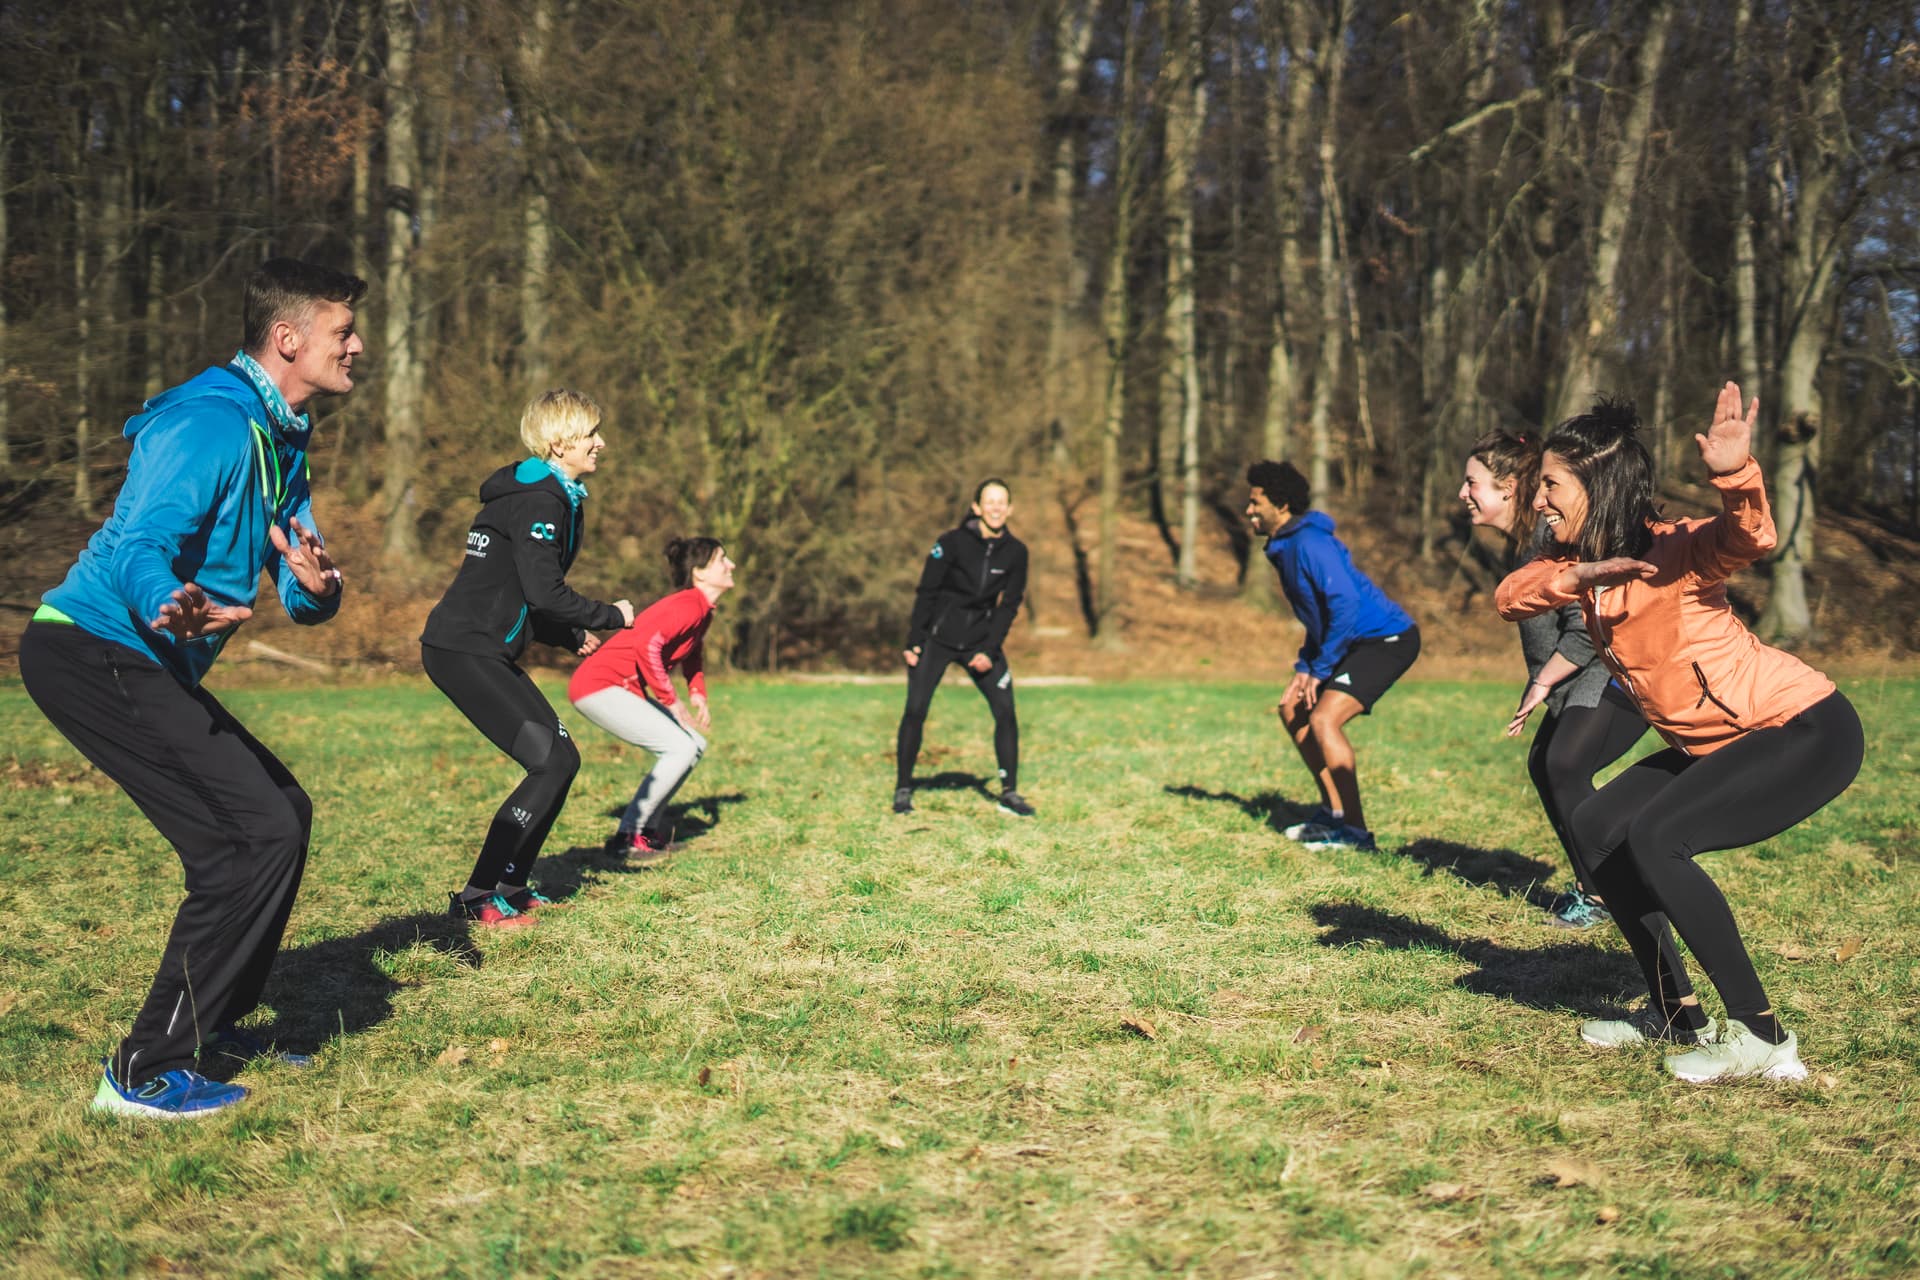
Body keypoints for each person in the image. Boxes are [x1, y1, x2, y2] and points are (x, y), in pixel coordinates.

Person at [19, 257, 364, 1118]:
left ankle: (209, 1029)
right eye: (343, 332)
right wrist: (165, 601)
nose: (358, 346)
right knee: (250, 835)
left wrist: (317, 591)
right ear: (288, 339)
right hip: (92, 646)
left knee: (282, 815)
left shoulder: (284, 435)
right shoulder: (212, 425)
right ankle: (143, 1071)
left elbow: (294, 578)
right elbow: (140, 541)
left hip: (140, 654)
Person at [1496, 384, 1862, 1083]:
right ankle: (1674, 1014)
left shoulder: (1679, 550)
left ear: (1598, 488)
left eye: (1550, 484)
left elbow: (1752, 535)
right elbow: (1511, 598)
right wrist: (1583, 575)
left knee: (1658, 837)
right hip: (1724, 744)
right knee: (1599, 824)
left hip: (1803, 727)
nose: (1537, 498)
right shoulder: (1583, 572)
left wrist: (1736, 475)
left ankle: (1762, 1039)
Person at [420, 389, 634, 930]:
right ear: (561, 442)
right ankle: (478, 894)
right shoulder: (542, 500)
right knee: (552, 762)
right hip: (463, 650)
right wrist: (612, 615)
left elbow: (517, 588)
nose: (600, 443)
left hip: (474, 647)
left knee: (561, 761)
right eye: (591, 434)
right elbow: (544, 592)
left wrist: (568, 636)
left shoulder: (541, 493)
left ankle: (510, 885)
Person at [1461, 430, 1646, 927]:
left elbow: (1590, 625)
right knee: (1546, 764)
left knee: (1563, 764)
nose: (1463, 494)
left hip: (1605, 673)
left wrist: (1543, 680)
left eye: (1471, 482)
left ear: (1508, 487)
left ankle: (1610, 891)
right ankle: (1597, 884)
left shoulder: (1551, 540)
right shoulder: (1529, 546)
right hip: (1574, 681)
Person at [1245, 460, 1420, 852]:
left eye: (1255, 501)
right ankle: (1334, 813)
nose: (1249, 510)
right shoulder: (1286, 546)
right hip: (1348, 641)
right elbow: (1319, 616)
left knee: (1325, 720)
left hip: (1387, 638)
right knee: (1292, 707)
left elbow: (1344, 605)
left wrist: (1320, 667)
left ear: (1281, 504)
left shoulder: (1310, 543)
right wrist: (1305, 667)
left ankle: (1356, 834)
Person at [569, 537, 735, 861]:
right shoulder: (688, 604)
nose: (731, 565)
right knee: (681, 747)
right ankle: (627, 837)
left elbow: (693, 652)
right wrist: (670, 699)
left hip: (621, 686)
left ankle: (645, 832)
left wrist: (697, 692)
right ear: (699, 573)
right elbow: (648, 644)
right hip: (598, 684)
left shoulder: (702, 610)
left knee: (694, 744)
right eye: (721, 560)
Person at [893, 478, 1032, 817]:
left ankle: (1010, 792)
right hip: (938, 638)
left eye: (1002, 502)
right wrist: (915, 640)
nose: (996, 507)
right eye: (989, 501)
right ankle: (903, 789)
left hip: (980, 642)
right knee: (915, 710)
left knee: (1006, 712)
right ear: (976, 507)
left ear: (1010, 509)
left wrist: (989, 648)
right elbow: (926, 591)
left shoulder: (1016, 552)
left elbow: (1009, 605)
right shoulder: (950, 543)